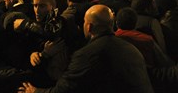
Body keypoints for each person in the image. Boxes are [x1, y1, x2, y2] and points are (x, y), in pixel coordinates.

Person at [18, 5, 154, 93]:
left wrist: (35, 91)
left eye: (84, 22)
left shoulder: (87, 53)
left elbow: (65, 89)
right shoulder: (130, 47)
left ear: (88, 27)